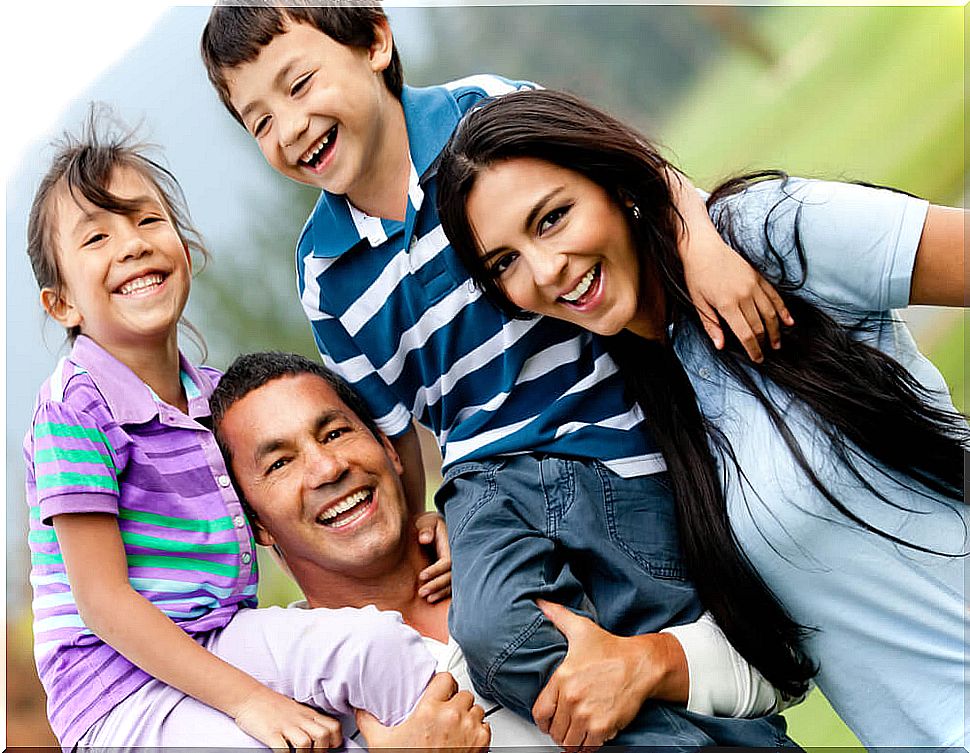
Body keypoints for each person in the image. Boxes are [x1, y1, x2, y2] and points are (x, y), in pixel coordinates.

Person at [201, 4, 811, 746]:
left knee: (666, 628)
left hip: (612, 443)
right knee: (497, 639)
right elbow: (392, 430)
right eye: (258, 121)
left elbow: (632, 170)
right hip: (485, 482)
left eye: (298, 85)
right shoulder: (326, 276)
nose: (289, 126)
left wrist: (703, 240)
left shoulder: (483, 115)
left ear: (373, 42)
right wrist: (434, 516)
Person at [435, 87, 969, 749]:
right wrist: (648, 661)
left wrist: (694, 216)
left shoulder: (761, 237)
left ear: (611, 184)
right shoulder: (636, 401)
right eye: (506, 262)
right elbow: (787, 654)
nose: (546, 270)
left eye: (552, 218)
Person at [22, 108, 489, 752]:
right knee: (289, 741)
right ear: (63, 302)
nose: (131, 242)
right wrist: (252, 702)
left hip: (218, 639)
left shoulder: (214, 402)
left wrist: (420, 528)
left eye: (147, 219)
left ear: (185, 249)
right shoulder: (75, 410)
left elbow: (290, 523)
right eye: (96, 237)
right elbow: (102, 602)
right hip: (118, 691)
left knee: (377, 648)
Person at [208, 350, 794, 749]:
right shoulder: (283, 682)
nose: (328, 467)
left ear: (389, 449)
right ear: (254, 522)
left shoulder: (527, 535)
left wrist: (652, 664)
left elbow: (779, 668)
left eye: (335, 432)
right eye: (280, 463)